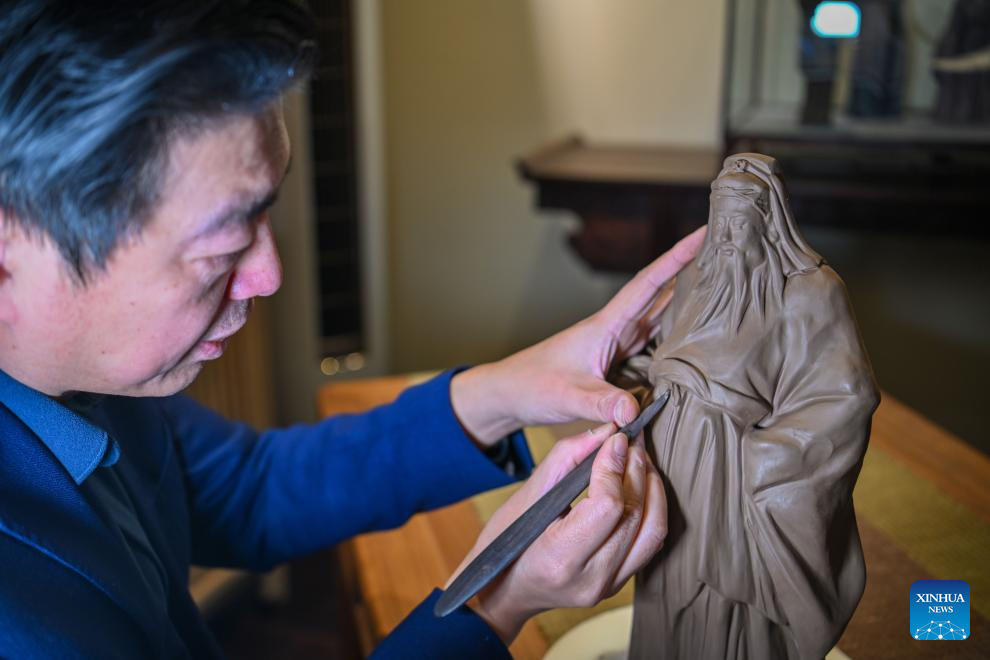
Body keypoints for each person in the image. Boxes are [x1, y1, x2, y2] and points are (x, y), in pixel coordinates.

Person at [0, 2, 705, 657]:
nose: (268, 275)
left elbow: (247, 492)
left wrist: (507, 390)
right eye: (222, 248)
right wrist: (497, 601)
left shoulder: (92, 381)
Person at [624, 153, 879, 659]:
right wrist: (629, 389)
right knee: (665, 572)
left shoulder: (810, 291)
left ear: (767, 223)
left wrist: (762, 458)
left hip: (734, 471)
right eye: (718, 222)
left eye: (737, 225)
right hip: (668, 461)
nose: (723, 238)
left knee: (726, 599)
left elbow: (845, 396)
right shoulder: (696, 279)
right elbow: (658, 355)